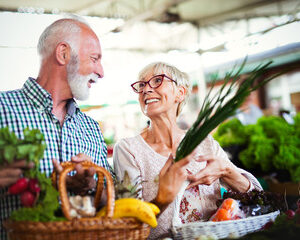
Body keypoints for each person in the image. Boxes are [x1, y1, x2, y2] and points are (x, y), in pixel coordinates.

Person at [113, 62, 262, 239]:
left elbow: (258, 198)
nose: (146, 89)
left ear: (180, 93)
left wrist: (228, 171)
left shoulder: (204, 141)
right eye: (142, 85)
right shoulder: (128, 149)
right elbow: (130, 226)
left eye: (157, 81)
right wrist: (162, 198)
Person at [0, 17, 114, 240]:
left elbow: (112, 202)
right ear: (63, 54)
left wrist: (92, 186)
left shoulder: (91, 128)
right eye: (94, 59)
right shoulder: (2, 108)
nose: (101, 72)